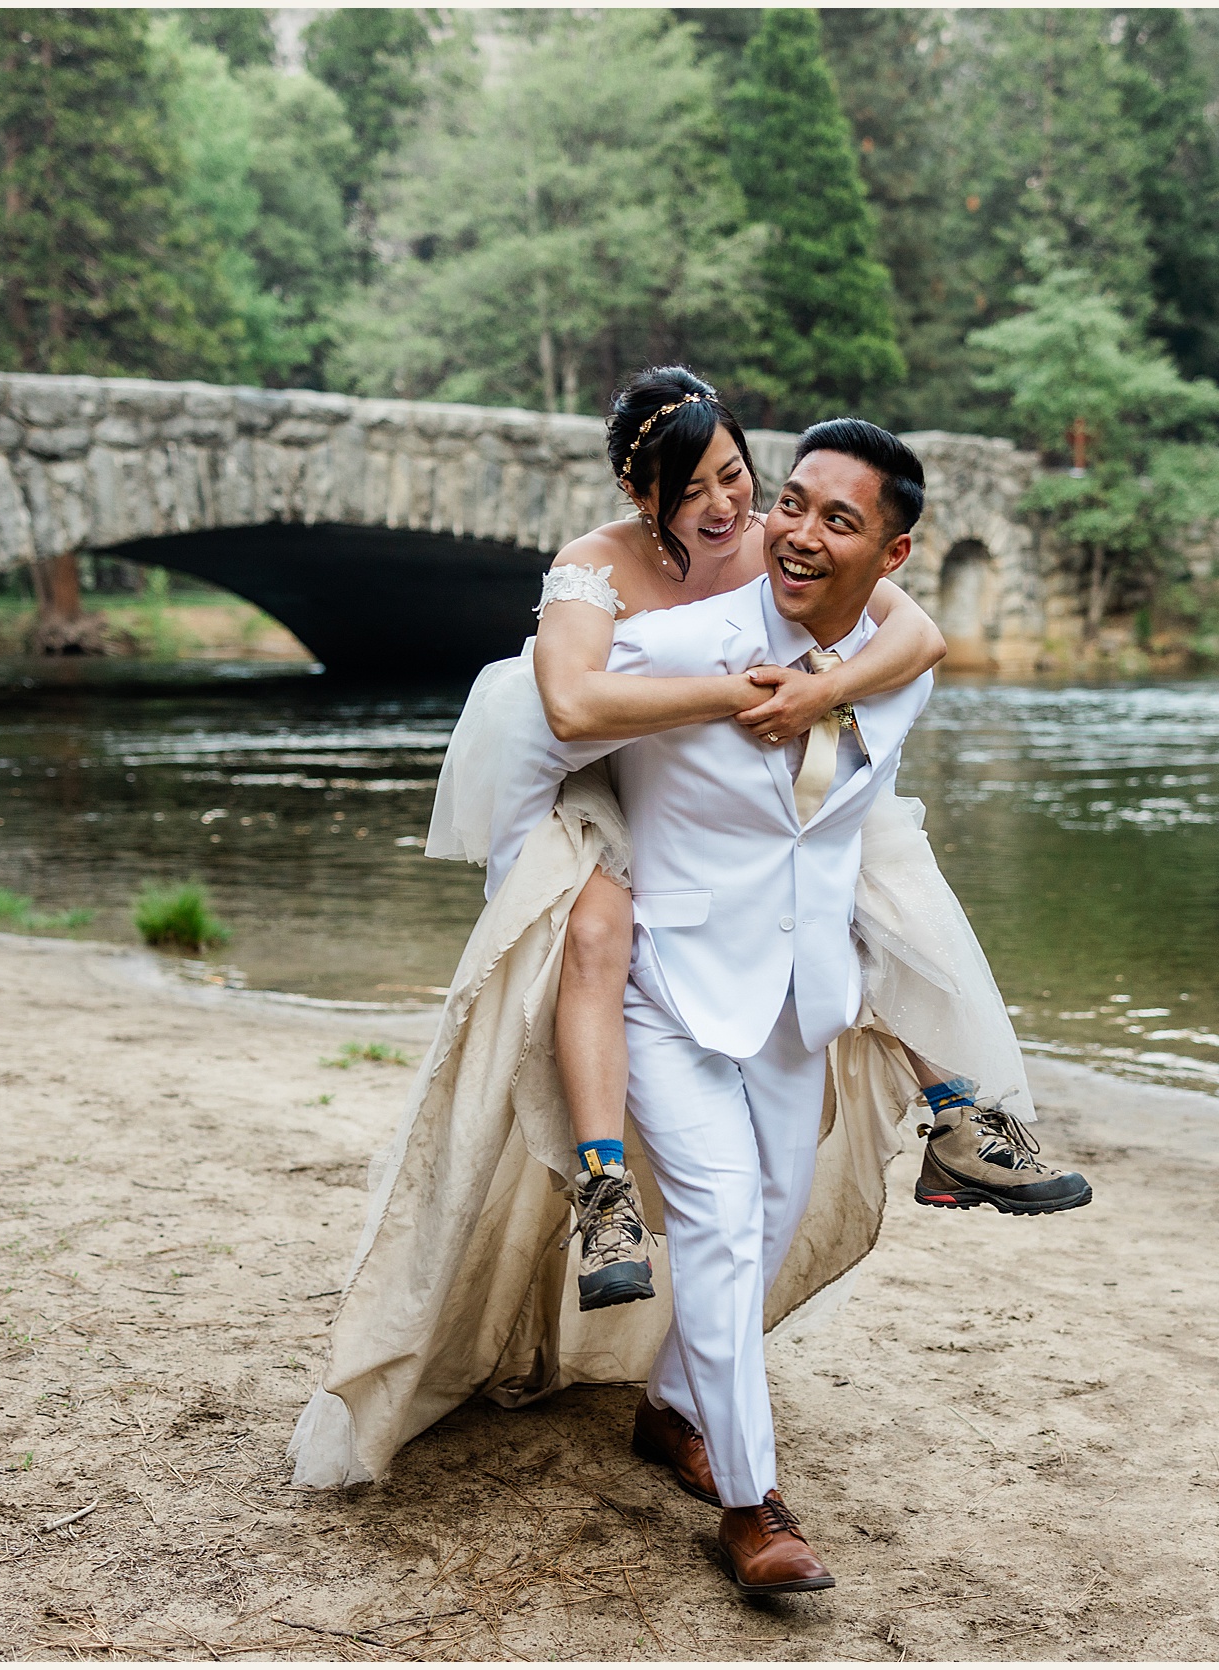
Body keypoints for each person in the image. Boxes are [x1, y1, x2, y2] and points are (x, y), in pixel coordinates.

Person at [291, 397, 1088, 1550]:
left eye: (829, 516)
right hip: (662, 980)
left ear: (892, 552)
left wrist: (823, 685)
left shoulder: (888, 661)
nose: (791, 529)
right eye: (789, 506)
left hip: (798, 994)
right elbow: (547, 709)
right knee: (716, 1214)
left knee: (767, 1213)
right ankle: (752, 1506)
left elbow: (907, 651)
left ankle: (670, 1404)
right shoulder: (672, 642)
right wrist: (563, 879)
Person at [442, 369, 1085, 1316]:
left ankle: (958, 1113)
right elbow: (573, 707)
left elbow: (919, 634)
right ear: (637, 493)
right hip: (595, 782)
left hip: (718, 784)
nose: (721, 506)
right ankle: (603, 1190)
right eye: (687, 490)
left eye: (733, 475)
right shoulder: (596, 562)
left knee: (868, 851)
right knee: (597, 929)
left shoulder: (769, 544)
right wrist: (742, 691)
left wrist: (826, 690)